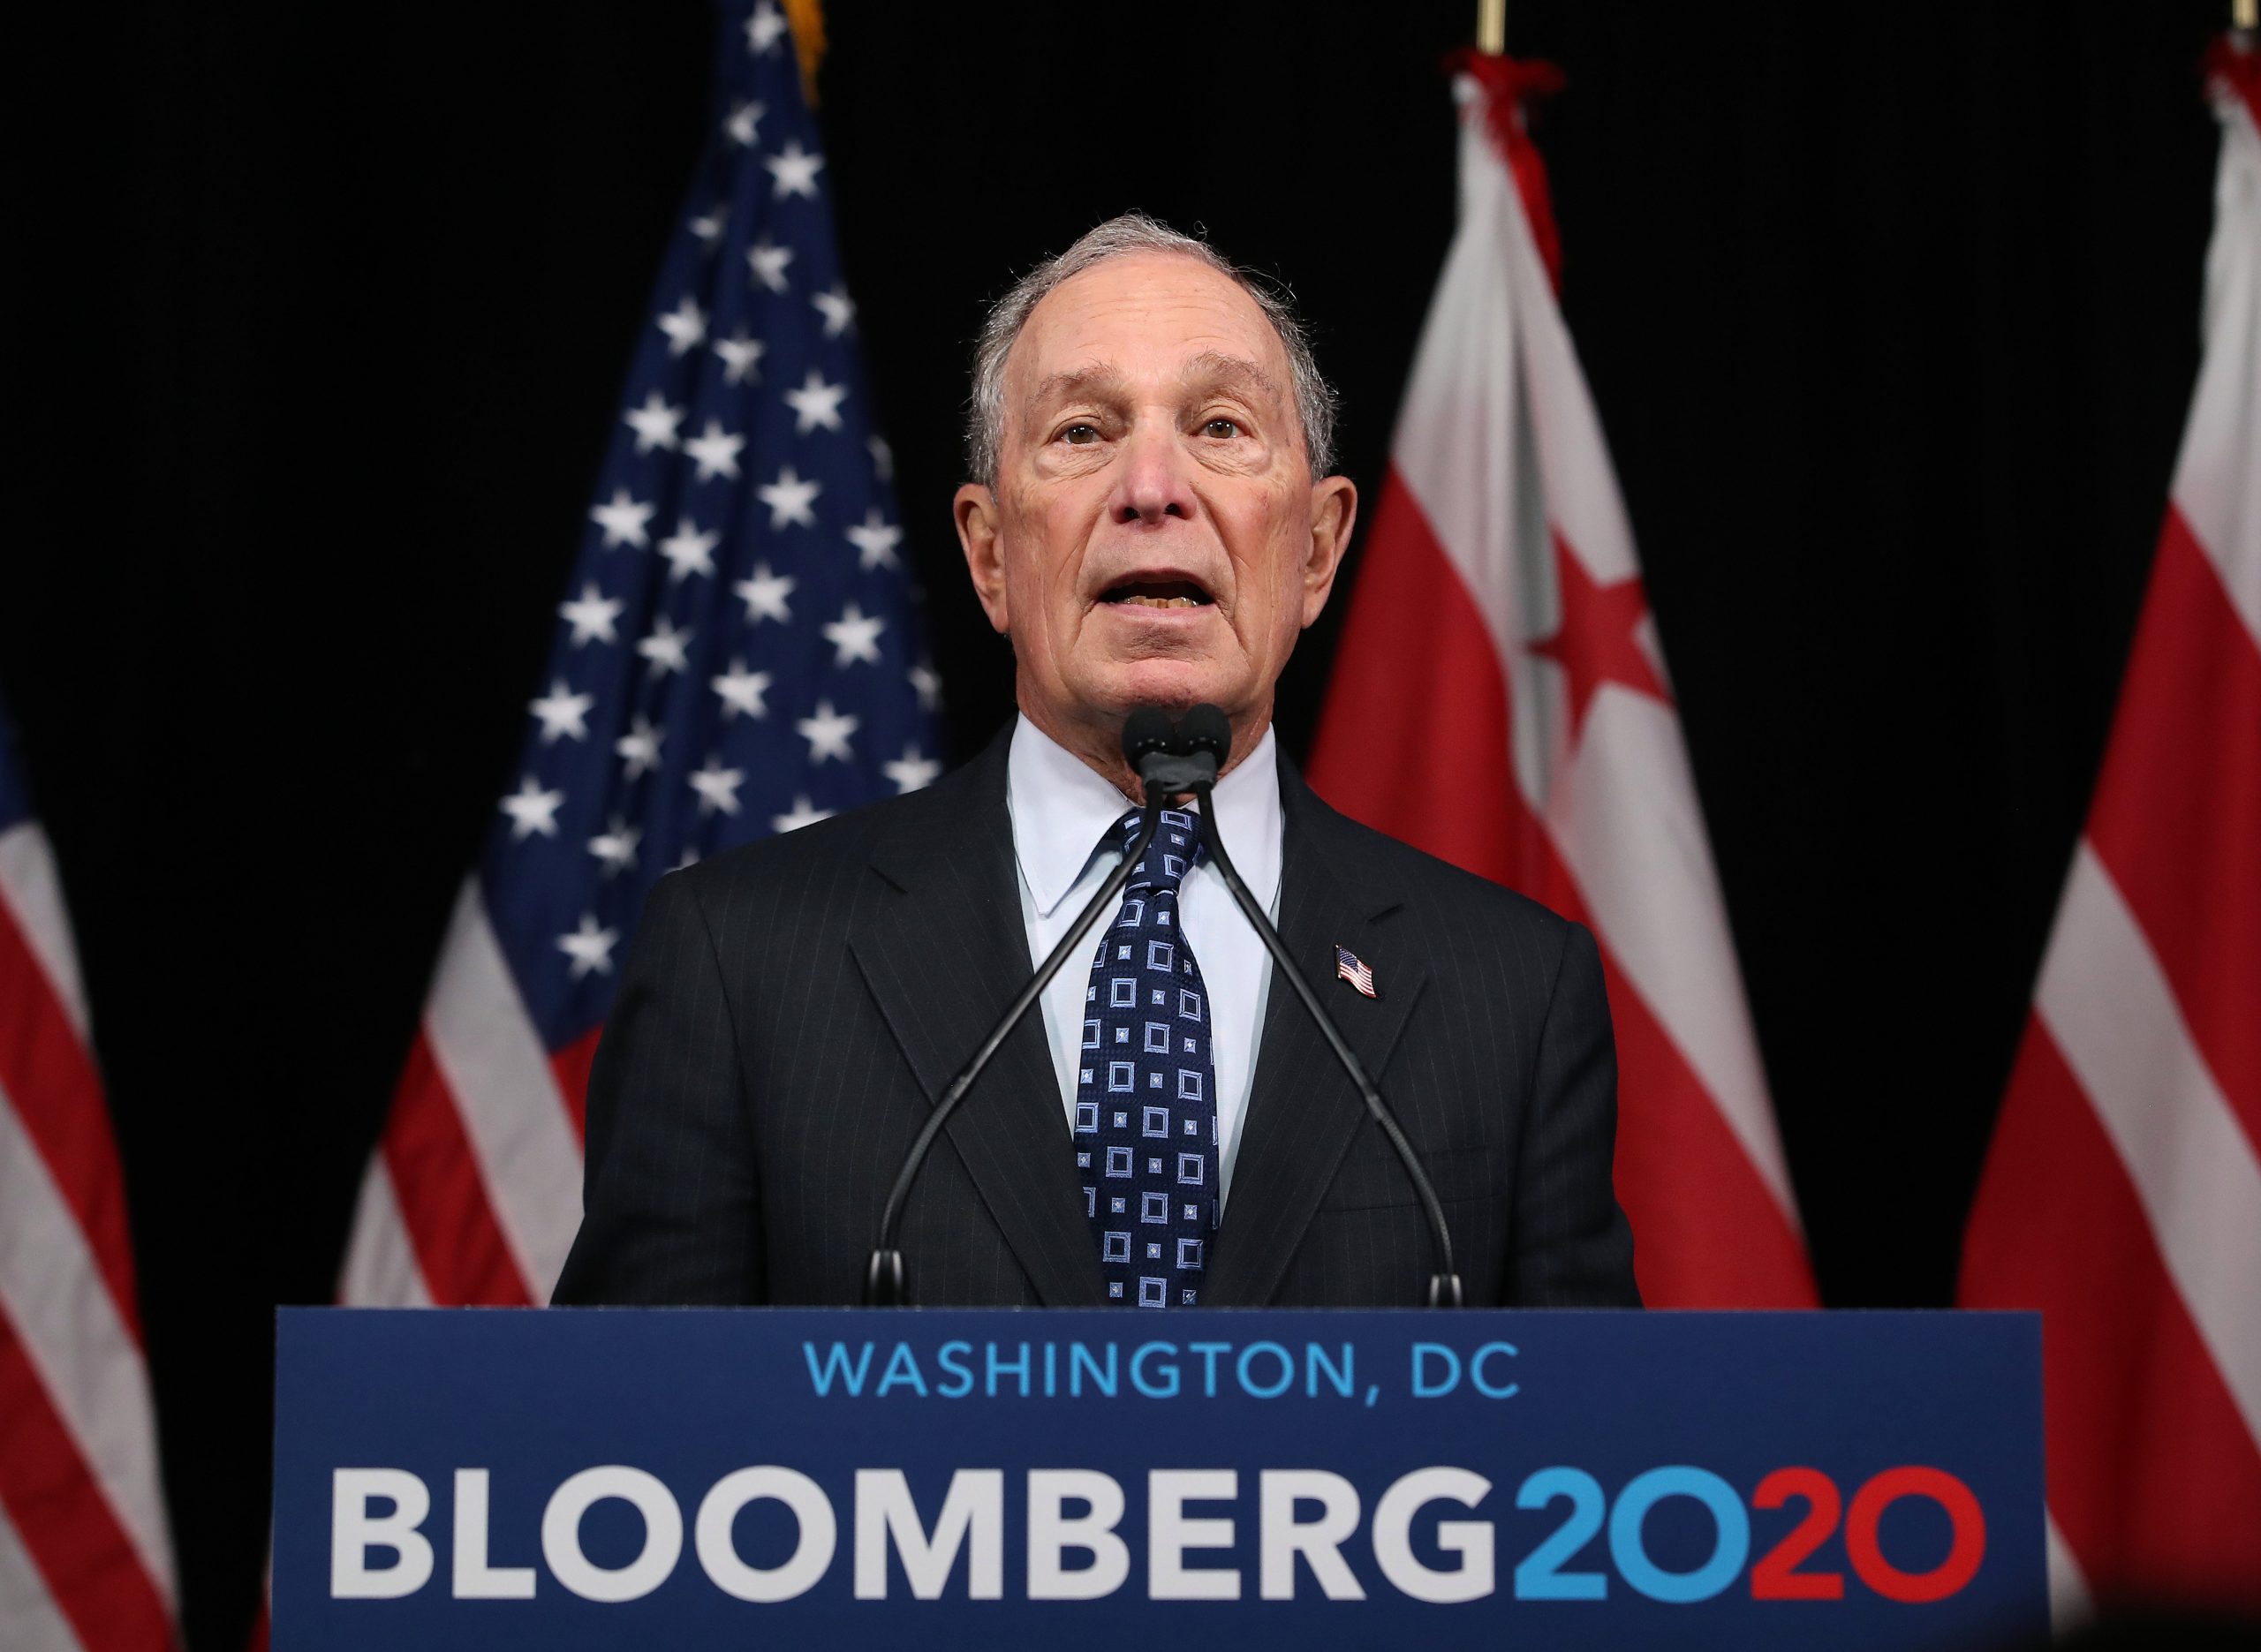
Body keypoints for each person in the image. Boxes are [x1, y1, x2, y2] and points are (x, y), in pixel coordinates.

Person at [552, 214, 1638, 1310]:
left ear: (1314, 550)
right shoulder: (739, 964)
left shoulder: (1512, 995)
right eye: (1081, 431)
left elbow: (1584, 1456)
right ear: (988, 552)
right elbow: (633, 1443)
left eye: (1219, 425)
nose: (1151, 487)